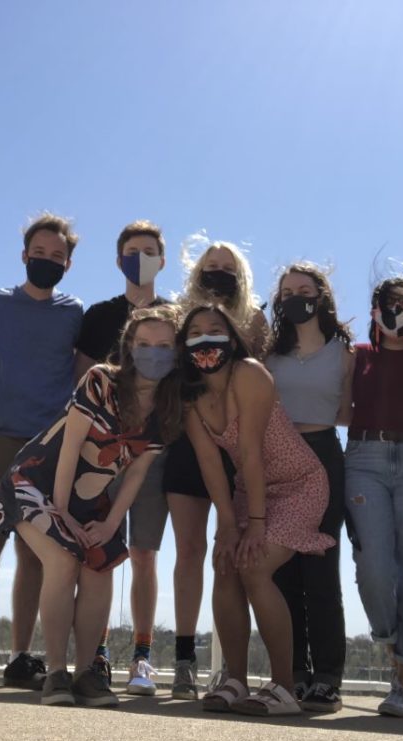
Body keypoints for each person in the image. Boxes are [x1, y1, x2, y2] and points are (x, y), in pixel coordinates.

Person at [0, 305, 182, 707]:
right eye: (144, 344)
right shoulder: (100, 382)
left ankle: (85, 674)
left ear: (177, 352)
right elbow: (71, 446)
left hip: (96, 500)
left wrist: (111, 525)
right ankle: (55, 673)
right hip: (37, 482)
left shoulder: (168, 410)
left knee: (102, 566)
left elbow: (136, 474)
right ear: (129, 347)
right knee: (63, 559)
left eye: (164, 345)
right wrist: (60, 513)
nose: (154, 352)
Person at [181, 305, 333, 716]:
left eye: (215, 330)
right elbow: (211, 464)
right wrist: (227, 526)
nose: (205, 338)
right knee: (227, 563)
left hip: (298, 484)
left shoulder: (248, 374)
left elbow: (249, 450)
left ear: (231, 340)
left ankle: (284, 687)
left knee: (254, 565)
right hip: (250, 490)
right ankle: (235, 680)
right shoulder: (190, 396)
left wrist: (256, 526)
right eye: (194, 331)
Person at [0, 214, 83, 691]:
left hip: (47, 446)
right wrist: (0, 372)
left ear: (68, 264)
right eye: (40, 252)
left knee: (36, 553)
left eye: (57, 256)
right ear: (24, 254)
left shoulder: (74, 313)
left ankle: (21, 656)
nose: (46, 261)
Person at [163, 239, 269, 698]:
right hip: (190, 444)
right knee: (189, 551)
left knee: (234, 557)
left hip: (242, 450)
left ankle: (233, 669)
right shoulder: (177, 317)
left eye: (228, 267)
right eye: (211, 266)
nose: (219, 273)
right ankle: (185, 659)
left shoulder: (256, 321)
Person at [73, 220, 170, 695]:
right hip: (101, 454)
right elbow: (80, 388)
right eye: (132, 251)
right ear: (118, 260)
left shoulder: (176, 317)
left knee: (144, 554)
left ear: (163, 259)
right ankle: (96, 655)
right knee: (101, 552)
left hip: (154, 453)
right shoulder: (97, 316)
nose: (140, 258)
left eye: (149, 251)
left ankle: (143, 657)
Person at [345, 277, 403, 717]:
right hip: (364, 457)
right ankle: (392, 647)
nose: (398, 311)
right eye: (389, 304)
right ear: (375, 310)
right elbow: (336, 406)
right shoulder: (357, 357)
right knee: (373, 568)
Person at [264, 263, 353, 712]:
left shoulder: (345, 354)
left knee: (320, 568)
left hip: (322, 453)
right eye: (287, 291)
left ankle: (328, 677)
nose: (295, 296)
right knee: (282, 574)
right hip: (276, 457)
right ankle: (291, 672)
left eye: (304, 289)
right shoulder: (268, 354)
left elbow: (349, 412)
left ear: (321, 296)